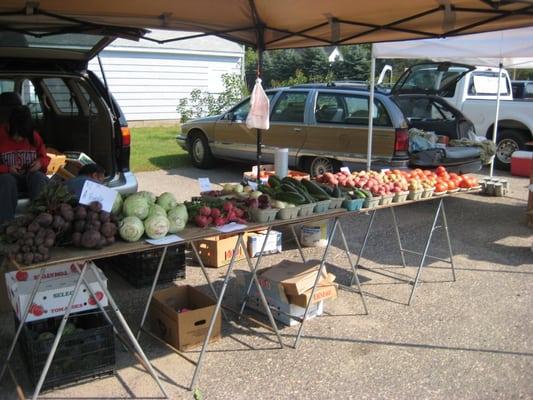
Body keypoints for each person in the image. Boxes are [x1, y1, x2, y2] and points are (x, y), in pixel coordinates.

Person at [0, 105, 49, 223]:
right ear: (10, 125)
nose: (19, 139)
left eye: (23, 136)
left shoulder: (34, 136)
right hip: (8, 180)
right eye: (17, 135)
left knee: (39, 177)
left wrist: (40, 163)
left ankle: (40, 222)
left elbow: (45, 158)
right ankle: (5, 226)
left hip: (29, 177)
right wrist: (7, 169)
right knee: (6, 180)